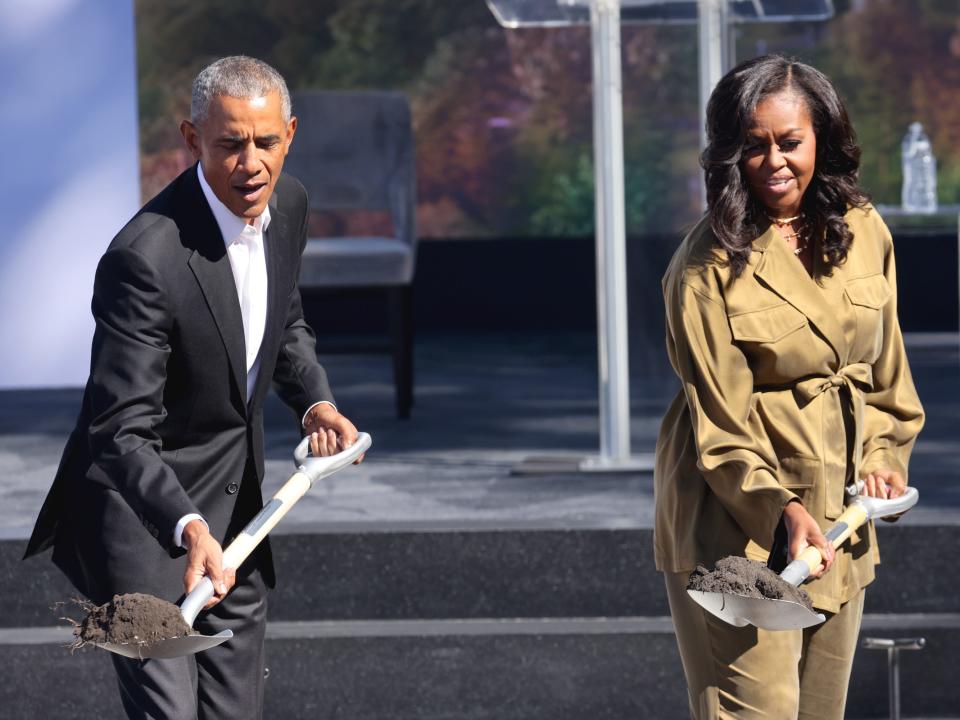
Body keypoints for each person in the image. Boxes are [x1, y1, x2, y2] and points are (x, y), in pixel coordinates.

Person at [24, 56, 360, 719]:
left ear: (289, 134)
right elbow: (120, 428)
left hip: (237, 518)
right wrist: (186, 527)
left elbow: (281, 322)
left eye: (266, 142)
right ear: (191, 139)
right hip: (141, 522)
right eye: (230, 144)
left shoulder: (288, 204)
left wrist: (316, 401)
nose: (252, 163)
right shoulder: (142, 260)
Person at [654, 55, 924, 719]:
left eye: (790, 142)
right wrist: (782, 511)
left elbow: (887, 376)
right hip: (739, 529)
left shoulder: (865, 232)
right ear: (727, 155)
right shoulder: (702, 269)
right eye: (753, 146)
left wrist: (884, 456)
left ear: (822, 140)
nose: (774, 161)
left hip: (842, 520)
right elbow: (722, 431)